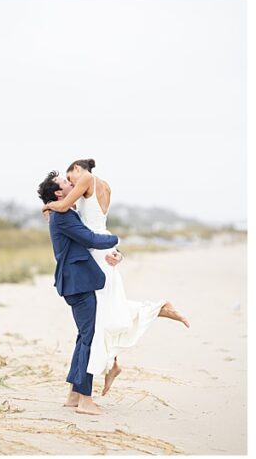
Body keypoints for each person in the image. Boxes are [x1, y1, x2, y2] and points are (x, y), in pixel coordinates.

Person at [43, 159, 189, 395]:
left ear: (78, 170)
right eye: (67, 182)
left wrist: (47, 205)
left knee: (101, 318)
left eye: (71, 178)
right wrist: (114, 249)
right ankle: (110, 365)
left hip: (96, 252)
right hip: (99, 250)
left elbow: (77, 221)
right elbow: (95, 224)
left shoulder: (86, 180)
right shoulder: (104, 186)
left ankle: (156, 311)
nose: (72, 184)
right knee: (107, 311)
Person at [38, 170, 121, 415]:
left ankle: (74, 395)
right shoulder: (62, 216)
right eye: (66, 182)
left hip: (76, 282)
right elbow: (89, 239)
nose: (71, 182)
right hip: (78, 282)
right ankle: (85, 398)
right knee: (89, 338)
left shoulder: (62, 212)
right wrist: (115, 238)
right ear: (58, 193)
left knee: (83, 336)